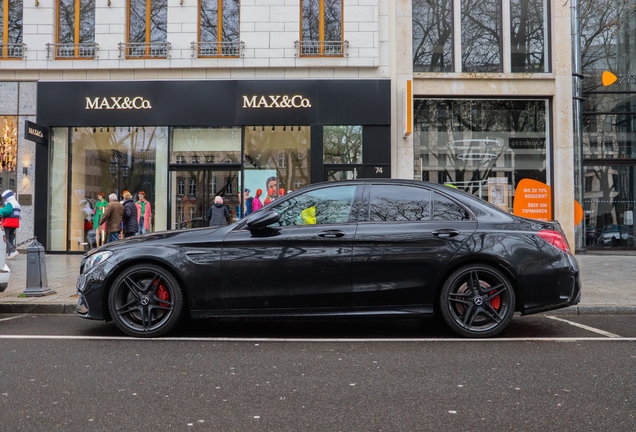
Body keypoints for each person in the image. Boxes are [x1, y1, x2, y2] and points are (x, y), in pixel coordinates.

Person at [0, 190, 21, 260]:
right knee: (11, 238)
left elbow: (6, 212)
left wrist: (1, 210)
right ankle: (11, 254)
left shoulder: (10, 204)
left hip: (8, 223)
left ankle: (12, 251)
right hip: (14, 223)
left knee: (5, 238)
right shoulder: (16, 203)